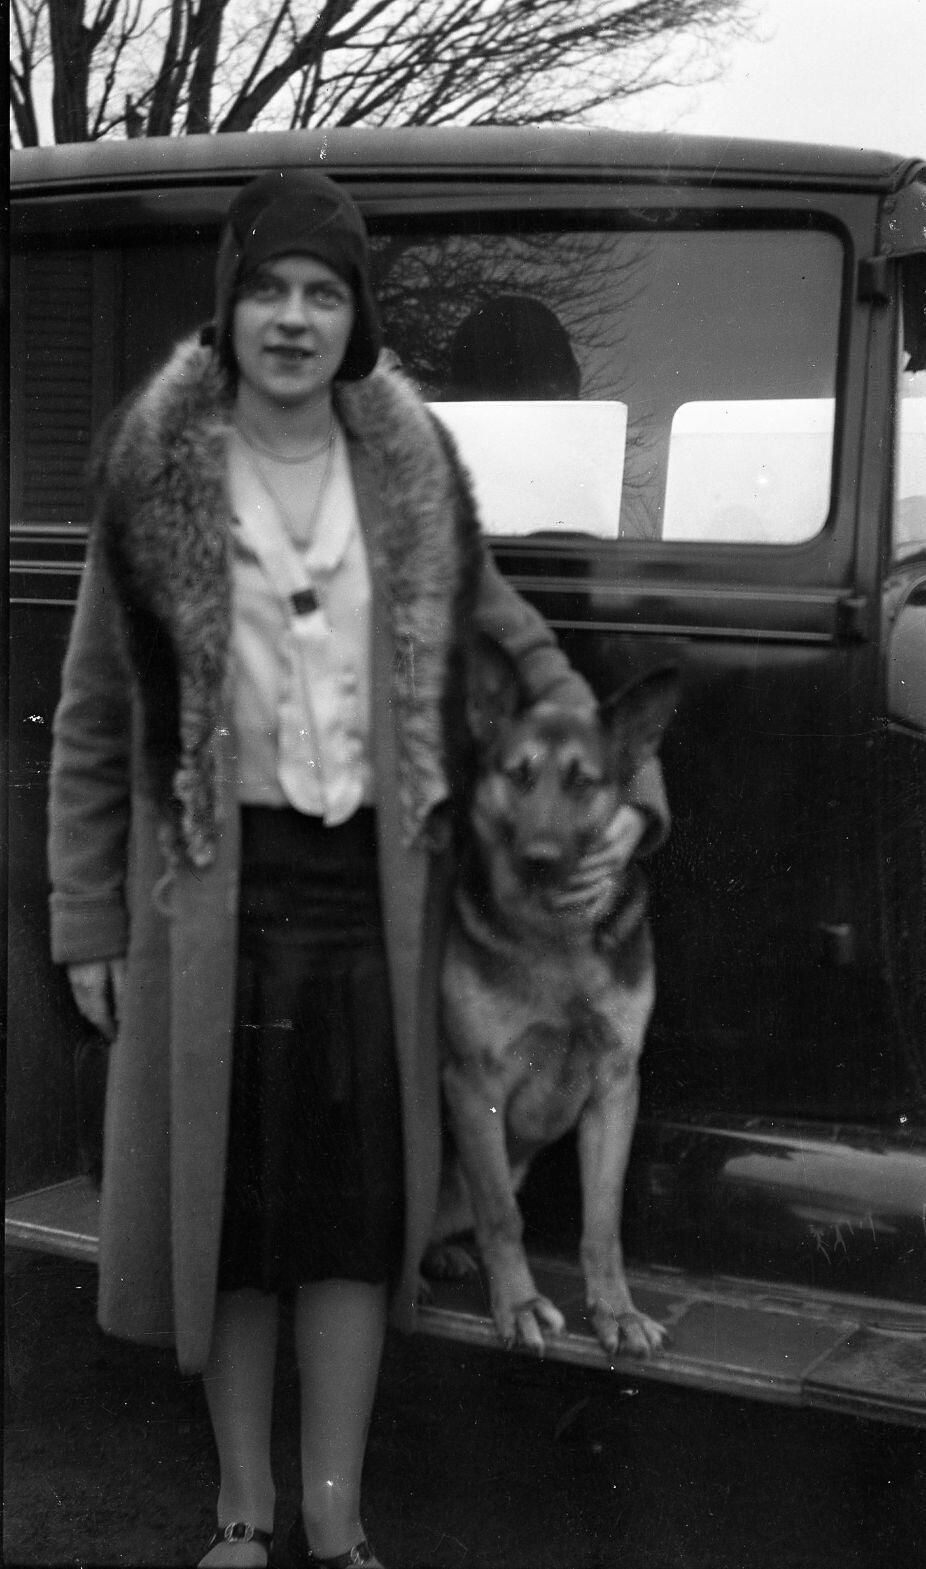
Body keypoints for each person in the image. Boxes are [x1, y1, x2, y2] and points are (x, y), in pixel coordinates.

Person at [48, 170, 669, 1569]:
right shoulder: (154, 476)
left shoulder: (405, 475)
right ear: (229, 307)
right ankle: (242, 1508)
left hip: (372, 906)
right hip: (207, 902)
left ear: (355, 319)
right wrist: (88, 917)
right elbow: (92, 719)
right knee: (234, 1222)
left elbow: (520, 646)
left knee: (350, 1222)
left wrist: (629, 797)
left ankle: (335, 1514)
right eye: (268, 288)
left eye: (323, 293)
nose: (293, 317)